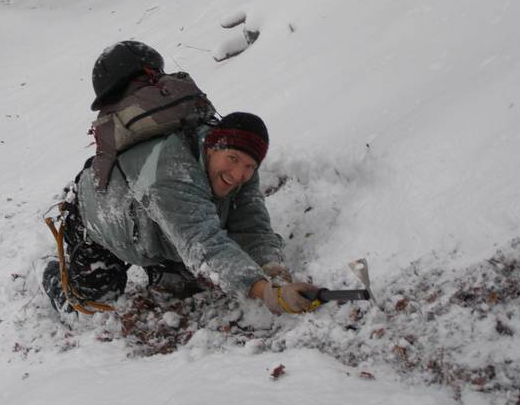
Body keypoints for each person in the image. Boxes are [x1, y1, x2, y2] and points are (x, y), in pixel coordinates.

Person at [43, 42, 319, 315]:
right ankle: (51, 275)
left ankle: (162, 262)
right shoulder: (171, 168)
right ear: (212, 147)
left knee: (185, 278)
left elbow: (252, 226)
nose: (238, 175)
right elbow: (202, 244)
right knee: (92, 304)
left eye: (248, 166)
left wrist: (275, 274)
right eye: (233, 160)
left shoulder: (230, 147)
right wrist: (263, 291)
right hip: (99, 217)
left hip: (149, 214)